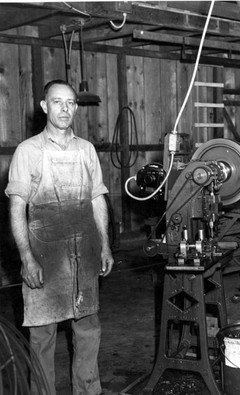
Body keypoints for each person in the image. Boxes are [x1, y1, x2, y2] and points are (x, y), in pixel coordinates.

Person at [5, 79, 114, 395]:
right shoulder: (29, 151)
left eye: (70, 103)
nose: (65, 109)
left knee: (89, 328)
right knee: (42, 336)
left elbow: (97, 199)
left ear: (76, 107)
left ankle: (88, 391)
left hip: (85, 252)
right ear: (44, 106)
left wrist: (104, 245)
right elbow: (17, 208)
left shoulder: (86, 149)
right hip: (45, 257)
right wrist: (26, 257)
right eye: (57, 102)